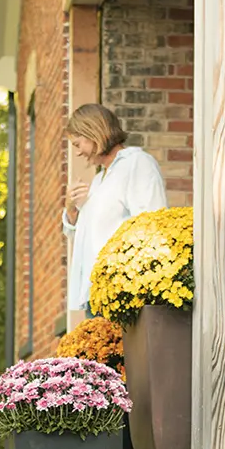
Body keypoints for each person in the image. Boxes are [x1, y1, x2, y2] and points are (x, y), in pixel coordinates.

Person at [62, 104, 167, 318]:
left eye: (78, 143)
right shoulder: (100, 180)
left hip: (123, 292)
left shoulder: (136, 164)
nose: (79, 152)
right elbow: (84, 241)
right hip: (96, 294)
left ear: (93, 132)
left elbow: (152, 226)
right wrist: (71, 209)